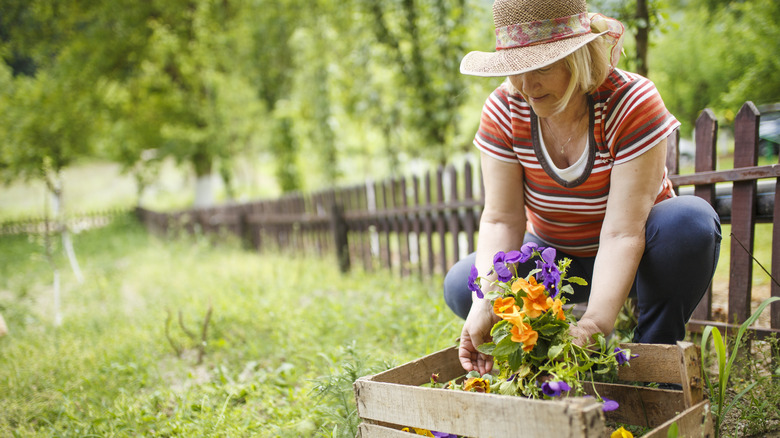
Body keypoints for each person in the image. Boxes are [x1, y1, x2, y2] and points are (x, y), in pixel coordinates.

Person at [445, 0, 722, 375]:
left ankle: (654, 358)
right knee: (466, 285)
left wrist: (594, 325)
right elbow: (500, 219)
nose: (525, 87)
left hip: (642, 259)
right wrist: (489, 299)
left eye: (539, 68)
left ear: (577, 57)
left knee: (690, 223)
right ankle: (543, 350)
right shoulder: (504, 109)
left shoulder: (631, 102)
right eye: (515, 70)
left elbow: (624, 232)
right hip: (555, 261)